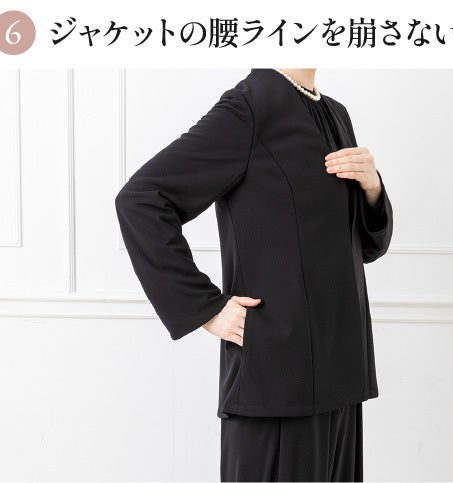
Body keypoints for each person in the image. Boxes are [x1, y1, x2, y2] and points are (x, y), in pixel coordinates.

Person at [114, 67, 394, 481]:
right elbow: (141, 200)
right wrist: (205, 308)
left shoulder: (335, 114)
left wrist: (372, 188)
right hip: (277, 379)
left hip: (342, 376)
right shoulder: (250, 106)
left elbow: (365, 247)